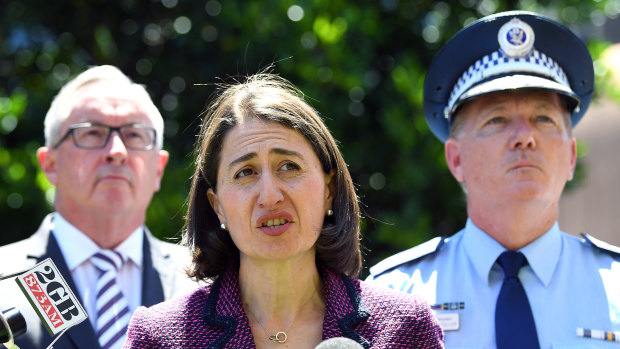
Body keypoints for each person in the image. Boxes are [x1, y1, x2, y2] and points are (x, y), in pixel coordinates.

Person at [122, 73, 445, 348]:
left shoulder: (406, 328)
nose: (270, 195)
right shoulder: (160, 337)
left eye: (289, 166)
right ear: (217, 206)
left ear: (329, 190)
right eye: (245, 173)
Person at [367, 10, 620, 349]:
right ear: (456, 159)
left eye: (543, 118)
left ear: (571, 157)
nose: (524, 137)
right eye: (497, 120)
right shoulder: (396, 294)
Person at [0, 65, 199, 349]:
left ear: (158, 169)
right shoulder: (2, 281)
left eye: (134, 135)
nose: (116, 152)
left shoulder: (206, 285)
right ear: (50, 164)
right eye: (92, 133)